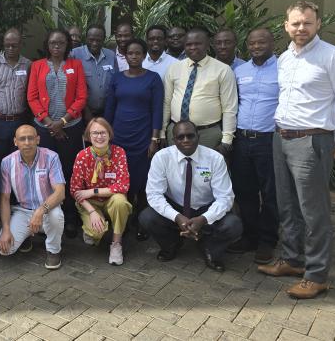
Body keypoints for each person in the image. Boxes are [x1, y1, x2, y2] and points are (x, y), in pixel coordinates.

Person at [258, 1, 335, 299]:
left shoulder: (333, 57)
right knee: (287, 205)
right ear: (285, 26)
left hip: (313, 140)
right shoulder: (285, 58)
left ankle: (316, 275)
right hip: (282, 137)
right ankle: (292, 260)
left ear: (318, 24)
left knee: (314, 212)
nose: (301, 28)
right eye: (295, 23)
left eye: (307, 23)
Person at [140, 121, 242, 272]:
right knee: (146, 217)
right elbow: (154, 195)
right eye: (180, 137)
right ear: (174, 140)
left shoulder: (215, 159)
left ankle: (210, 248)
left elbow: (225, 197)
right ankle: (172, 244)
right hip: (176, 206)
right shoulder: (161, 158)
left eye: (190, 136)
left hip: (205, 208)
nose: (186, 140)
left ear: (198, 137)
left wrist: (204, 219)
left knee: (233, 225)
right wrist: (177, 217)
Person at [27, 29, 87, 238]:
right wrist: (49, 123)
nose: (56, 46)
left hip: (70, 128)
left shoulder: (76, 65)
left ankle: (70, 218)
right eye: (53, 42)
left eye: (61, 43)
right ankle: (46, 217)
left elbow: (81, 97)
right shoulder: (37, 66)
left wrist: (62, 122)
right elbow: (32, 98)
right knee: (44, 174)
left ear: (67, 45)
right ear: (47, 44)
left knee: (69, 173)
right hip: (44, 129)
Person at [105, 39, 164, 241]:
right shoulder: (117, 78)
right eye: (130, 53)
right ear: (126, 55)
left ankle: (141, 220)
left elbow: (157, 110)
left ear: (144, 55)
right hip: (119, 138)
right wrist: (107, 138)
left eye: (138, 53)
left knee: (143, 181)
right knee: (122, 180)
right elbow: (109, 109)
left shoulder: (153, 79)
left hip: (143, 138)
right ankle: (124, 220)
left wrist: (154, 138)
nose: (134, 56)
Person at [229, 28, 279, 264]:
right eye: (252, 43)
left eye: (262, 42)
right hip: (242, 139)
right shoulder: (240, 70)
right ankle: (250, 236)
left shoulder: (284, 69)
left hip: (268, 139)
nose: (256, 46)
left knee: (270, 192)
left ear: (272, 43)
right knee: (245, 191)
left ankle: (267, 240)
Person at [0, 125, 66, 270]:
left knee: (56, 215)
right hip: (23, 211)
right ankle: (27, 236)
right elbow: (4, 199)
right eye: (22, 139)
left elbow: (60, 192)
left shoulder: (51, 157)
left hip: (47, 209)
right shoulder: (7, 162)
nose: (27, 142)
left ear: (38, 139)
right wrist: (6, 229)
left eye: (31, 138)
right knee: (3, 248)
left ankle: (53, 250)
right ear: (16, 142)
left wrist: (41, 210)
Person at [162, 27, 238, 156]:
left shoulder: (223, 70)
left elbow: (229, 107)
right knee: (176, 171)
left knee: (206, 174)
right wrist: (162, 132)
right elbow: (166, 102)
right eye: (189, 44)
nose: (193, 47)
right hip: (177, 131)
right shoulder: (174, 68)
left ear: (208, 45)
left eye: (197, 44)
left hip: (207, 133)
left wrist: (227, 140)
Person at [70, 118, 132, 265]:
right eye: (95, 133)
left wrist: (93, 191)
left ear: (109, 134)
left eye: (103, 132)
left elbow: (123, 186)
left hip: (110, 199)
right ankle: (92, 228)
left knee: (120, 201)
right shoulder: (82, 156)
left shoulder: (119, 153)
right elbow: (75, 190)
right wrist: (91, 211)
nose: (99, 137)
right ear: (88, 136)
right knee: (96, 232)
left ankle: (116, 244)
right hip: (90, 203)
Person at [0, 29, 32, 162]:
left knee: (19, 162)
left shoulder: (28, 65)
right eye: (7, 45)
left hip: (19, 121)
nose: (10, 48)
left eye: (14, 45)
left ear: (21, 45)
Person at [70, 24, 117, 120]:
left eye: (98, 40)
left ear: (104, 39)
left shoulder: (111, 56)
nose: (94, 43)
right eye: (91, 40)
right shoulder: (74, 55)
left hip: (106, 112)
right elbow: (71, 86)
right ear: (86, 38)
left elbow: (115, 84)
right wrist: (85, 110)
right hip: (82, 112)